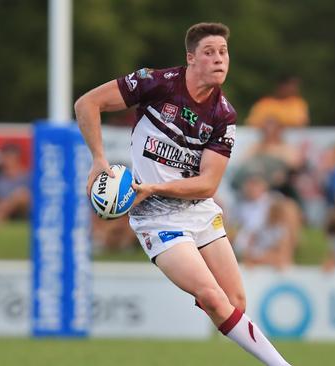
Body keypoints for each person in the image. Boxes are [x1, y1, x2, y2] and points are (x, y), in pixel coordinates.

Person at [75, 22, 290, 365]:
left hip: (197, 209)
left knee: (234, 303)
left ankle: (205, 295)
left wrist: (154, 187)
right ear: (191, 59)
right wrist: (99, 159)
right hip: (155, 217)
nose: (219, 59)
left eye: (223, 52)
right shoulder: (156, 84)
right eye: (209, 53)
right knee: (214, 299)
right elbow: (87, 104)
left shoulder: (224, 114)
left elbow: (208, 185)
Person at [242, 197, 294, 271]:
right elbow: (248, 253)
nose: (273, 214)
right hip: (259, 266)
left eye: (276, 212)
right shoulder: (259, 229)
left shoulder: (282, 232)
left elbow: (283, 258)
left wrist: (260, 258)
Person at [0, 143, 31, 220]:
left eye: (10, 157)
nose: (7, 160)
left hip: (21, 211)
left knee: (21, 195)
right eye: (5, 156)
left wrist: (11, 201)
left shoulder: (27, 176)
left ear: (17, 158)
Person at [245, 75, 309, 128]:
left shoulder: (298, 103)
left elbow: (302, 123)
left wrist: (276, 124)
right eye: (291, 86)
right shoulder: (264, 103)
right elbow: (252, 123)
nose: (294, 89)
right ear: (281, 86)